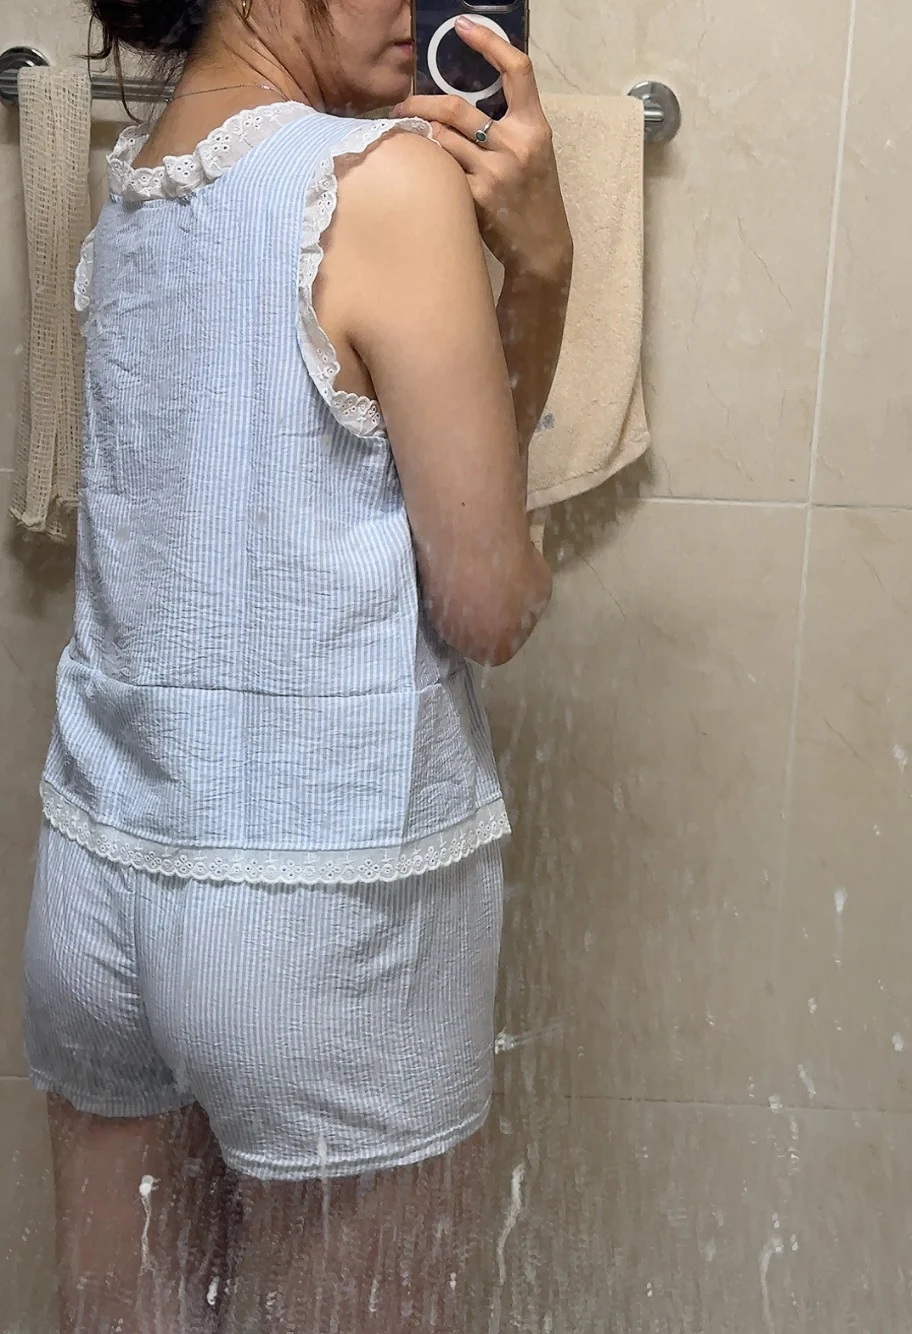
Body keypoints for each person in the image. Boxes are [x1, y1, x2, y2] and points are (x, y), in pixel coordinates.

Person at [20, 0, 571, 1328]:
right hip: (326, 920)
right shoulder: (386, 183)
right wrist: (544, 266)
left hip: (99, 899)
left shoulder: (133, 194)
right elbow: (487, 604)